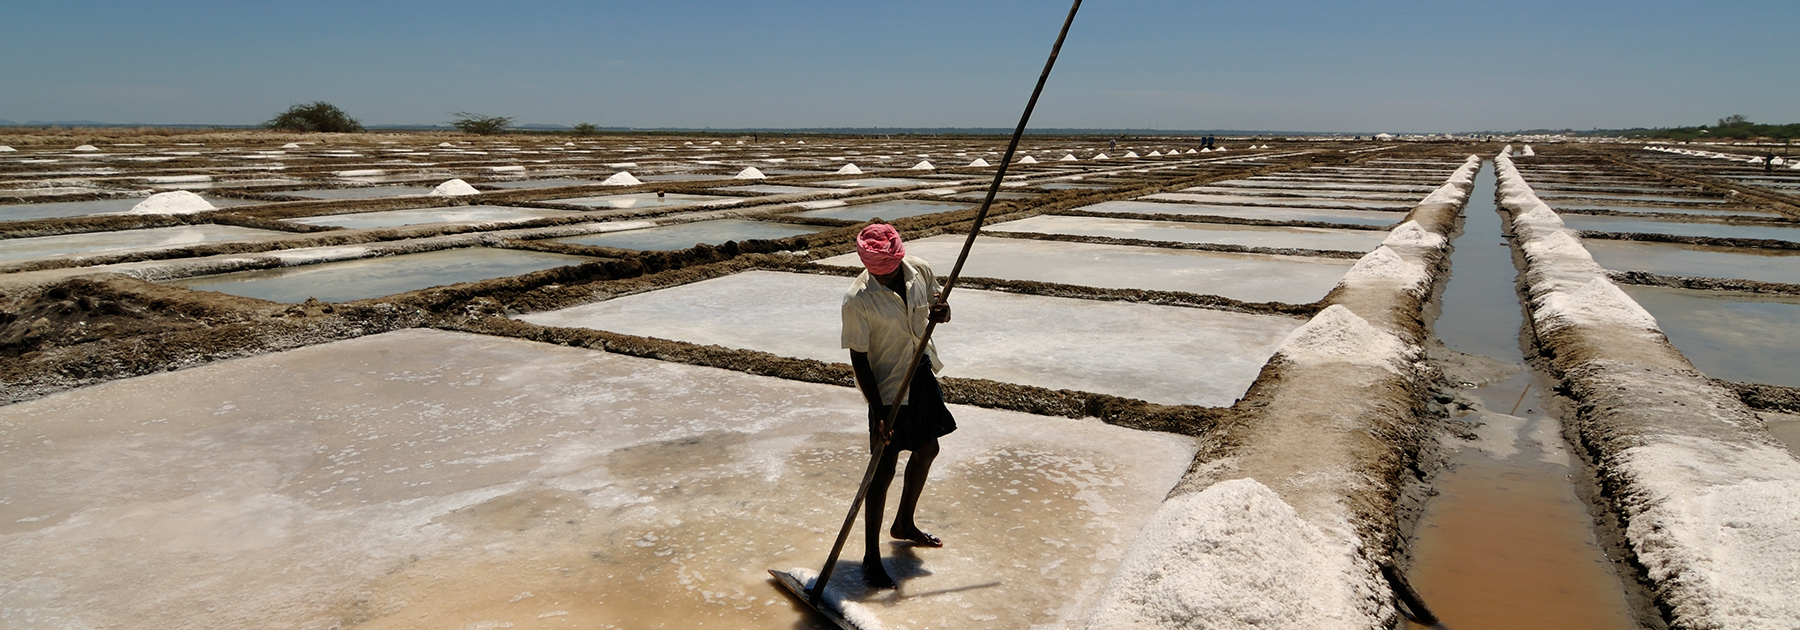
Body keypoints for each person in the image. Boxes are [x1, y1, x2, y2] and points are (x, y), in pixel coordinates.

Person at [840, 223, 956, 589]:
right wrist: (876, 411)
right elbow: (859, 360)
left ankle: (904, 522)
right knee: (882, 469)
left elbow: (941, 307)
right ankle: (871, 556)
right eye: (877, 268)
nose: (885, 273)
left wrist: (942, 313)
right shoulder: (857, 299)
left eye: (889, 266)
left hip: (920, 371)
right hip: (886, 387)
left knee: (928, 449)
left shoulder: (918, 270)